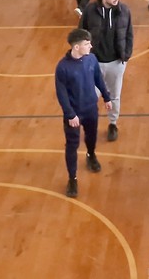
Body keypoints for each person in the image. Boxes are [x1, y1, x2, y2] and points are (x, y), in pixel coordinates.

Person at [55, 28, 113, 198]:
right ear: (76, 47)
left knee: (91, 136)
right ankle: (72, 178)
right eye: (87, 44)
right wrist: (70, 114)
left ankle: (91, 154)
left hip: (90, 109)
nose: (91, 46)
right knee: (72, 145)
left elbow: (98, 79)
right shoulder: (62, 67)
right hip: (74, 114)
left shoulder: (91, 59)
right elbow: (61, 94)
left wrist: (106, 97)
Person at [79, 0, 132, 143]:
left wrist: (126, 56)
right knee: (90, 96)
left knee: (114, 96)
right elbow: (81, 33)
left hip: (116, 63)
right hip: (94, 63)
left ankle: (112, 124)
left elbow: (129, 34)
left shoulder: (124, 11)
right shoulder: (89, 11)